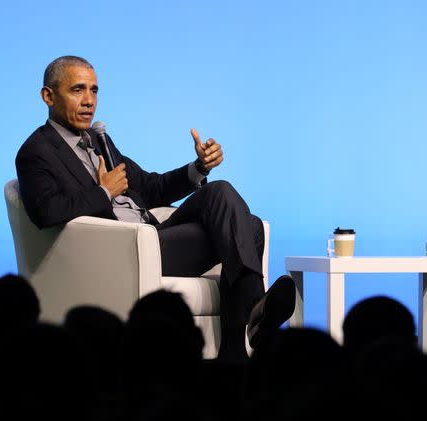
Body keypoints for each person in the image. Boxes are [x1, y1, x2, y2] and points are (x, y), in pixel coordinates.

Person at [15, 55, 295, 362]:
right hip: (124, 251)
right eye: (78, 90)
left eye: (94, 91)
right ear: (48, 96)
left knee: (222, 193)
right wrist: (104, 191)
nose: (89, 101)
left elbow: (152, 188)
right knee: (247, 228)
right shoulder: (36, 152)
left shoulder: (100, 143)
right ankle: (246, 329)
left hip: (154, 236)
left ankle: (240, 335)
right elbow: (45, 211)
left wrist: (199, 167)